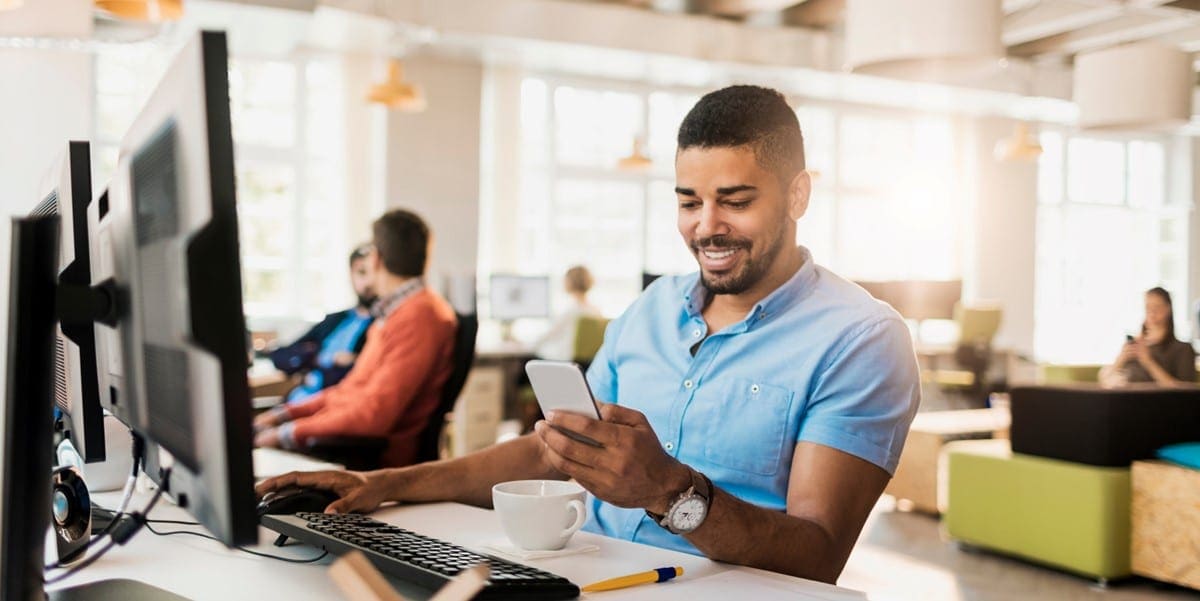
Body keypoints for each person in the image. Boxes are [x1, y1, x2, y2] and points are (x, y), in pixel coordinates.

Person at [257, 86, 920, 584]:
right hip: (581, 579)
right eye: (689, 201)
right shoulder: (652, 308)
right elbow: (552, 450)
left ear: (798, 195)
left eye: (736, 200)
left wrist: (670, 492)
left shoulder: (861, 338)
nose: (706, 226)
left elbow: (819, 550)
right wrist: (383, 483)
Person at [254, 209, 458, 468]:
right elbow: (349, 391)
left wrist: (288, 433)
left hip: (368, 459)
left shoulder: (421, 317)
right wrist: (285, 415)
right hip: (345, 444)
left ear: (375, 258)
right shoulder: (395, 313)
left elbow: (373, 416)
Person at [270, 245, 377, 404]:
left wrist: (354, 361)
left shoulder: (382, 326)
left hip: (334, 406)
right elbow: (281, 355)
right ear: (351, 275)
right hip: (296, 402)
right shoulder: (334, 320)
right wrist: (315, 360)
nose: (367, 282)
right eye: (361, 273)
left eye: (373, 273)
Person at [1101, 287, 1197, 387]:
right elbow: (1105, 382)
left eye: (1157, 307)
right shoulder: (1135, 347)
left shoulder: (1183, 349)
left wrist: (1148, 362)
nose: (1152, 313)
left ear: (1168, 309)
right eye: (1148, 307)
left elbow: (1185, 392)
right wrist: (1121, 359)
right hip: (1126, 399)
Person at [531, 265, 604, 361]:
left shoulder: (572, 311)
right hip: (586, 364)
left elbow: (550, 335)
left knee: (527, 361)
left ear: (569, 282)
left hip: (564, 360)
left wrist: (528, 345)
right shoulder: (596, 311)